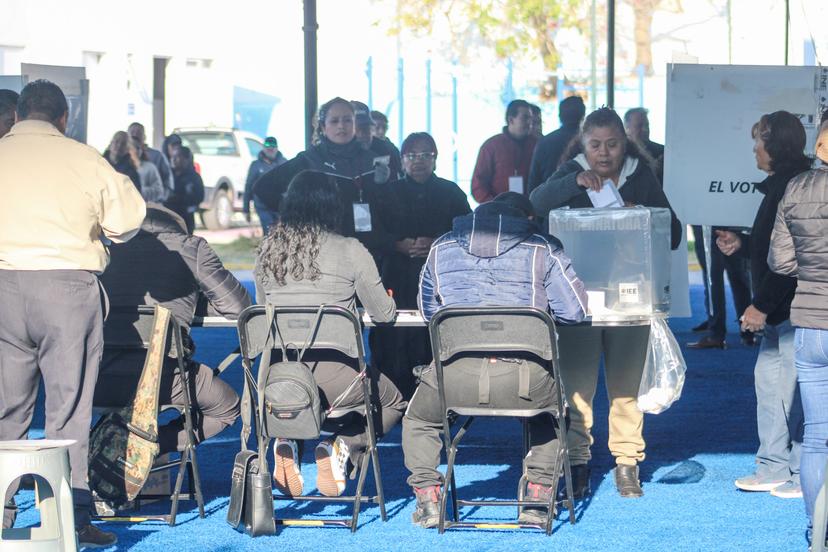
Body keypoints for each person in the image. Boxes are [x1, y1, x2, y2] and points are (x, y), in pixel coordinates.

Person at [0, 79, 146, 548]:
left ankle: (2, 514)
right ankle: (68, 517)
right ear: (64, 119)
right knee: (68, 411)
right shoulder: (85, 159)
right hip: (67, 289)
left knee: (7, 410)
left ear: (19, 116)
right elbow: (126, 224)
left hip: (3, 287)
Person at [403, 193, 588, 528]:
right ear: (527, 219)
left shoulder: (440, 248)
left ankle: (429, 498)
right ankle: (537, 495)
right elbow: (573, 312)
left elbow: (430, 312)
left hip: (454, 376)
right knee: (550, 416)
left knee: (420, 420)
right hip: (526, 379)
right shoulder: (544, 248)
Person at [530, 107, 682, 499]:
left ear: (624, 144)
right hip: (578, 302)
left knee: (626, 388)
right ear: (583, 144)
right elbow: (535, 204)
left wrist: (644, 217)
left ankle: (627, 463)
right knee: (577, 390)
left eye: (612, 144)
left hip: (632, 301)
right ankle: (578, 463)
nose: (603, 153)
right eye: (595, 145)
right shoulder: (570, 173)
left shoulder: (640, 176)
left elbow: (674, 232)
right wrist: (572, 184)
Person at [255, 170, 406, 498]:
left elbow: (261, 313)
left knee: (296, 395)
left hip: (279, 378)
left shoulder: (268, 251)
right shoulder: (351, 249)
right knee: (394, 401)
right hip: (340, 380)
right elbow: (384, 314)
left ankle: (288, 442)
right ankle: (342, 446)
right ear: (333, 206)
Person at [95, 204, 249, 455]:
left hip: (98, 378)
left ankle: (105, 445)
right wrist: (192, 299)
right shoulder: (190, 248)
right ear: (178, 226)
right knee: (228, 407)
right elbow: (239, 306)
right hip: (164, 379)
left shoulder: (103, 250)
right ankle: (149, 446)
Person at [715, 112, 811, 498]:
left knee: (798, 392)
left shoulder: (793, 186)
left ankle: (802, 473)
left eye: (759, 140)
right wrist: (742, 244)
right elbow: (775, 247)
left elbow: (790, 261)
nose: (754, 148)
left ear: (775, 145)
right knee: (773, 386)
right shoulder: (783, 185)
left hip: (795, 309)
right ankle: (774, 466)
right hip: (783, 311)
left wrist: (761, 305)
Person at [372, 132, 471, 397]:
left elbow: (467, 233)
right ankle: (391, 393)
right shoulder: (386, 193)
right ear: (402, 161)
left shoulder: (451, 192)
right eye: (412, 155)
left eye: (426, 155)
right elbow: (372, 234)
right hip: (396, 275)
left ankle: (437, 393)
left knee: (433, 335)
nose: (419, 161)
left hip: (438, 278)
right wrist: (397, 244)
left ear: (435, 160)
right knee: (392, 339)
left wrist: (436, 243)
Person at [769, 120, 828, 547]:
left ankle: (816, 528)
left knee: (817, 438)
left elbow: (781, 261)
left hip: (809, 321)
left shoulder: (795, 187)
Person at [254, 97, 397, 262]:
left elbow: (389, 210)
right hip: (325, 253)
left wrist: (383, 186)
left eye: (347, 120)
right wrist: (296, 214)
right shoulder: (310, 160)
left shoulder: (373, 159)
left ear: (354, 125)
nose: (341, 126)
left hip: (367, 251)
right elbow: (262, 188)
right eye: (334, 121)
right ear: (323, 126)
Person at [471, 99, 537, 202]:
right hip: (498, 211)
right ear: (511, 120)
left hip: (531, 210)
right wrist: (494, 206)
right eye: (525, 118)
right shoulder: (491, 146)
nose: (530, 122)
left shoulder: (537, 145)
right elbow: (478, 184)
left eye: (531, 118)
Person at [528, 95, 586, 194]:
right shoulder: (589, 142)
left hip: (548, 199)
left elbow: (533, 181)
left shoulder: (545, 141)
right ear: (583, 116)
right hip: (583, 202)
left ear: (559, 116)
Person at [243, 136, 286, 233]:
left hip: (280, 207)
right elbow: (248, 186)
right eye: (267, 145)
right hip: (262, 207)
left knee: (281, 233)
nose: (270, 148)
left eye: (273, 145)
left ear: (277, 148)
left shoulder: (284, 163)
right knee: (269, 231)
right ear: (263, 148)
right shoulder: (256, 165)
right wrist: (246, 209)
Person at [352, 100, 402, 181]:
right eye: (357, 129)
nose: (362, 134)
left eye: (366, 129)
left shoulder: (386, 150)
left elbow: (397, 183)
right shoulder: (330, 155)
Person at [128, 121, 174, 198]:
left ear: (144, 137)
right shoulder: (121, 157)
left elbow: (168, 182)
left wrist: (161, 199)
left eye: (138, 132)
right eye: (132, 132)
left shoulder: (157, 156)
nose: (135, 134)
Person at [166, 146, 205, 234]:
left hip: (185, 217)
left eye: (178, 156)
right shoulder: (168, 176)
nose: (174, 159)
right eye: (173, 157)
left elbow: (199, 197)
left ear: (186, 159)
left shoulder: (194, 177)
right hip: (168, 217)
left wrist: (180, 199)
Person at [624, 107, 664, 180]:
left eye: (647, 125)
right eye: (639, 126)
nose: (645, 129)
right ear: (627, 127)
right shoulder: (621, 152)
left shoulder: (662, 151)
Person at [132, 137, 167, 203]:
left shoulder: (150, 167)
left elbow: (159, 191)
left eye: (138, 148)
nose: (135, 150)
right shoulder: (118, 168)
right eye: (132, 147)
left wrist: (139, 190)